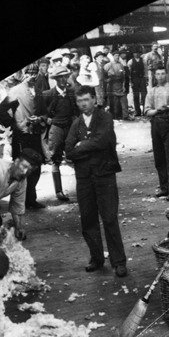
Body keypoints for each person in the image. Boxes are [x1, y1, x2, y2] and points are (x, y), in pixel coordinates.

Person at [64, 86, 128, 277]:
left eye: (86, 99)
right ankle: (97, 258)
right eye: (79, 101)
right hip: (84, 178)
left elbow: (102, 141)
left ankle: (119, 261)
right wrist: (84, 148)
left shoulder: (104, 118)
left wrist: (81, 146)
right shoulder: (76, 123)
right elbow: (68, 149)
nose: (83, 104)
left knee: (109, 218)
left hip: (104, 175)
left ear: (94, 99)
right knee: (88, 219)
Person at [144, 66, 169, 201]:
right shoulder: (152, 91)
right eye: (158, 74)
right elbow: (146, 110)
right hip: (155, 124)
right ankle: (164, 188)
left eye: (162, 74)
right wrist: (155, 111)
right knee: (159, 159)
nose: (160, 76)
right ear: (155, 76)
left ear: (166, 75)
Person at [38, 64, 76, 202]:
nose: (63, 80)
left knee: (76, 156)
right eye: (60, 77)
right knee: (56, 159)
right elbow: (40, 112)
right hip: (57, 128)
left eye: (65, 76)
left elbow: (76, 110)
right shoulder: (47, 94)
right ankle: (59, 191)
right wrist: (46, 119)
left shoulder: (72, 92)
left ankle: (83, 188)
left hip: (70, 127)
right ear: (55, 79)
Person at [7, 72, 45, 209]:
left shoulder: (39, 90)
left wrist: (40, 119)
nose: (32, 76)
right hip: (22, 136)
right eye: (29, 73)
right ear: (23, 74)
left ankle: (31, 199)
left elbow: (44, 111)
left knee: (36, 167)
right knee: (21, 169)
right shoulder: (15, 91)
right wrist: (17, 125)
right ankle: (19, 202)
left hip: (35, 134)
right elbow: (3, 111)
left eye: (35, 73)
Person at [105, 50, 129, 121]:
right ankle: (115, 116)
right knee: (115, 103)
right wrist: (108, 79)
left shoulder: (121, 65)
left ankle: (125, 116)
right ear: (113, 56)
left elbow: (123, 76)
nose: (117, 57)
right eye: (116, 56)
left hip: (120, 85)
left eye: (118, 56)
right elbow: (104, 74)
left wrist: (124, 85)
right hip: (113, 85)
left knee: (124, 102)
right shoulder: (109, 64)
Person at [128, 50, 147, 118]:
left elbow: (145, 70)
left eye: (138, 53)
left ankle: (145, 111)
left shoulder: (143, 61)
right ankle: (137, 112)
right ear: (133, 54)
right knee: (136, 96)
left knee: (144, 95)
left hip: (142, 79)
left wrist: (146, 78)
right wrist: (130, 81)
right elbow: (129, 72)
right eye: (135, 53)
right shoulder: (130, 61)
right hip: (134, 79)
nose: (136, 54)